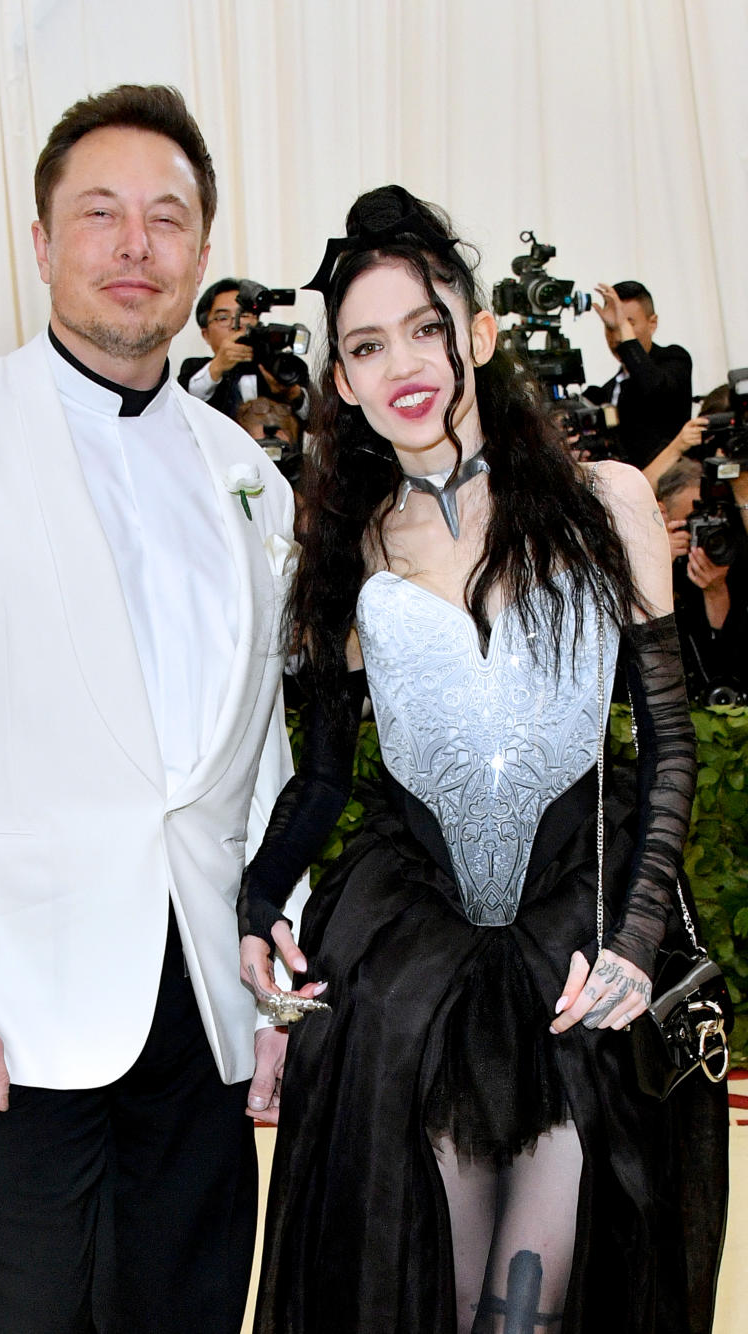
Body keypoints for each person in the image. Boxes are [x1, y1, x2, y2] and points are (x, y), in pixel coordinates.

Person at [0, 83, 303, 1334]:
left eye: (166, 217)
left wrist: (275, 984)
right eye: (100, 212)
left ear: (201, 249)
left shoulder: (249, 475)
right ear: (42, 243)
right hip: (5, 1020)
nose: (134, 244)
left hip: (198, 1012)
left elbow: (264, 753)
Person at [237, 186, 728, 1333]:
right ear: (344, 381)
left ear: (480, 333)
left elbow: (666, 743)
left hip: (578, 940)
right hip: (417, 963)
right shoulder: (344, 548)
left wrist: (638, 934)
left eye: (424, 325)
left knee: (532, 1304)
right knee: (439, 1296)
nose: (401, 361)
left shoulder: (605, 502)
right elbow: (323, 780)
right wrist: (258, 901)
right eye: (366, 344)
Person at [657, 457, 748, 704]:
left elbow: (728, 664)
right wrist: (654, 563)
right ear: (663, 513)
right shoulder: (644, 556)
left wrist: (716, 590)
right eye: (697, 518)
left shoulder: (731, 552)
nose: (708, 529)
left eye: (714, 516)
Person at [583, 281, 692, 470]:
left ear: (652, 323)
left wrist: (623, 330)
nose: (617, 335)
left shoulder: (674, 359)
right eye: (610, 327)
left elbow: (654, 387)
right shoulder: (608, 389)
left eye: (628, 323)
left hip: (667, 481)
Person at [178, 277, 310, 427]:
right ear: (206, 334)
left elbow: (317, 419)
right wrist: (218, 366)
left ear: (257, 322)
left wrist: (292, 393)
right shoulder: (196, 369)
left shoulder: (283, 366)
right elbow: (183, 407)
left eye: (245, 315)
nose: (236, 325)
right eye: (223, 318)